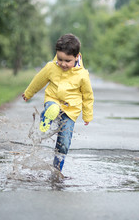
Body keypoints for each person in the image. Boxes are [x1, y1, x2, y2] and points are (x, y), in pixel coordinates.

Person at [22, 34, 94, 172]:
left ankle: (57, 169)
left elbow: (88, 96)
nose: (63, 64)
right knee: (53, 107)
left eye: (67, 60)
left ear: (77, 57)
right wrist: (28, 93)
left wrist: (87, 115)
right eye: (60, 59)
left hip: (70, 111)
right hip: (52, 100)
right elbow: (39, 80)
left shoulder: (82, 75)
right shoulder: (51, 67)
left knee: (64, 142)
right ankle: (46, 118)